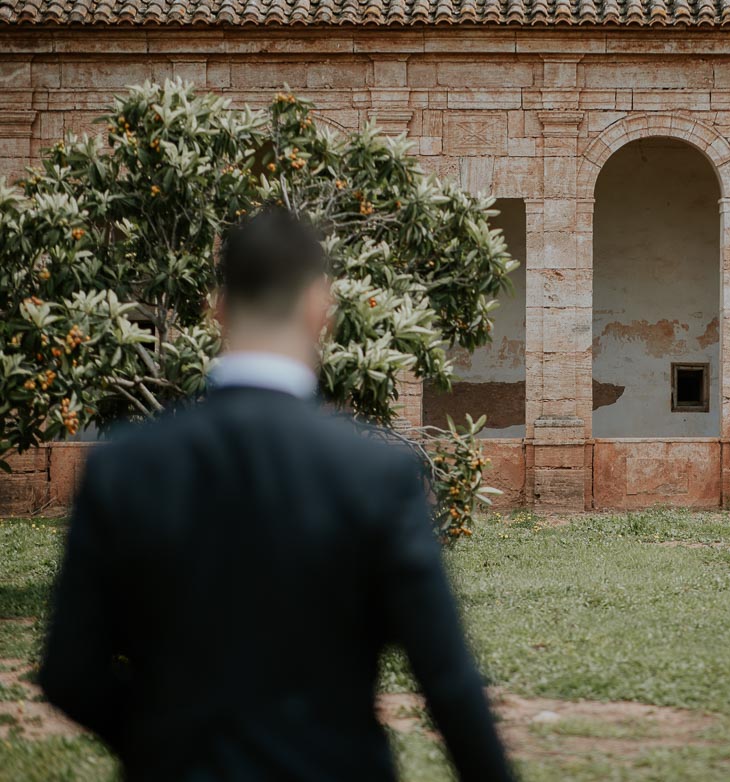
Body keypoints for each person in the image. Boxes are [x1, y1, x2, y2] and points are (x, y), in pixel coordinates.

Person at [40, 206, 516, 782]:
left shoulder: (125, 466)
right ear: (321, 308)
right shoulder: (375, 473)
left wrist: (162, 741)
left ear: (217, 308)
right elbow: (448, 684)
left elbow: (68, 672)